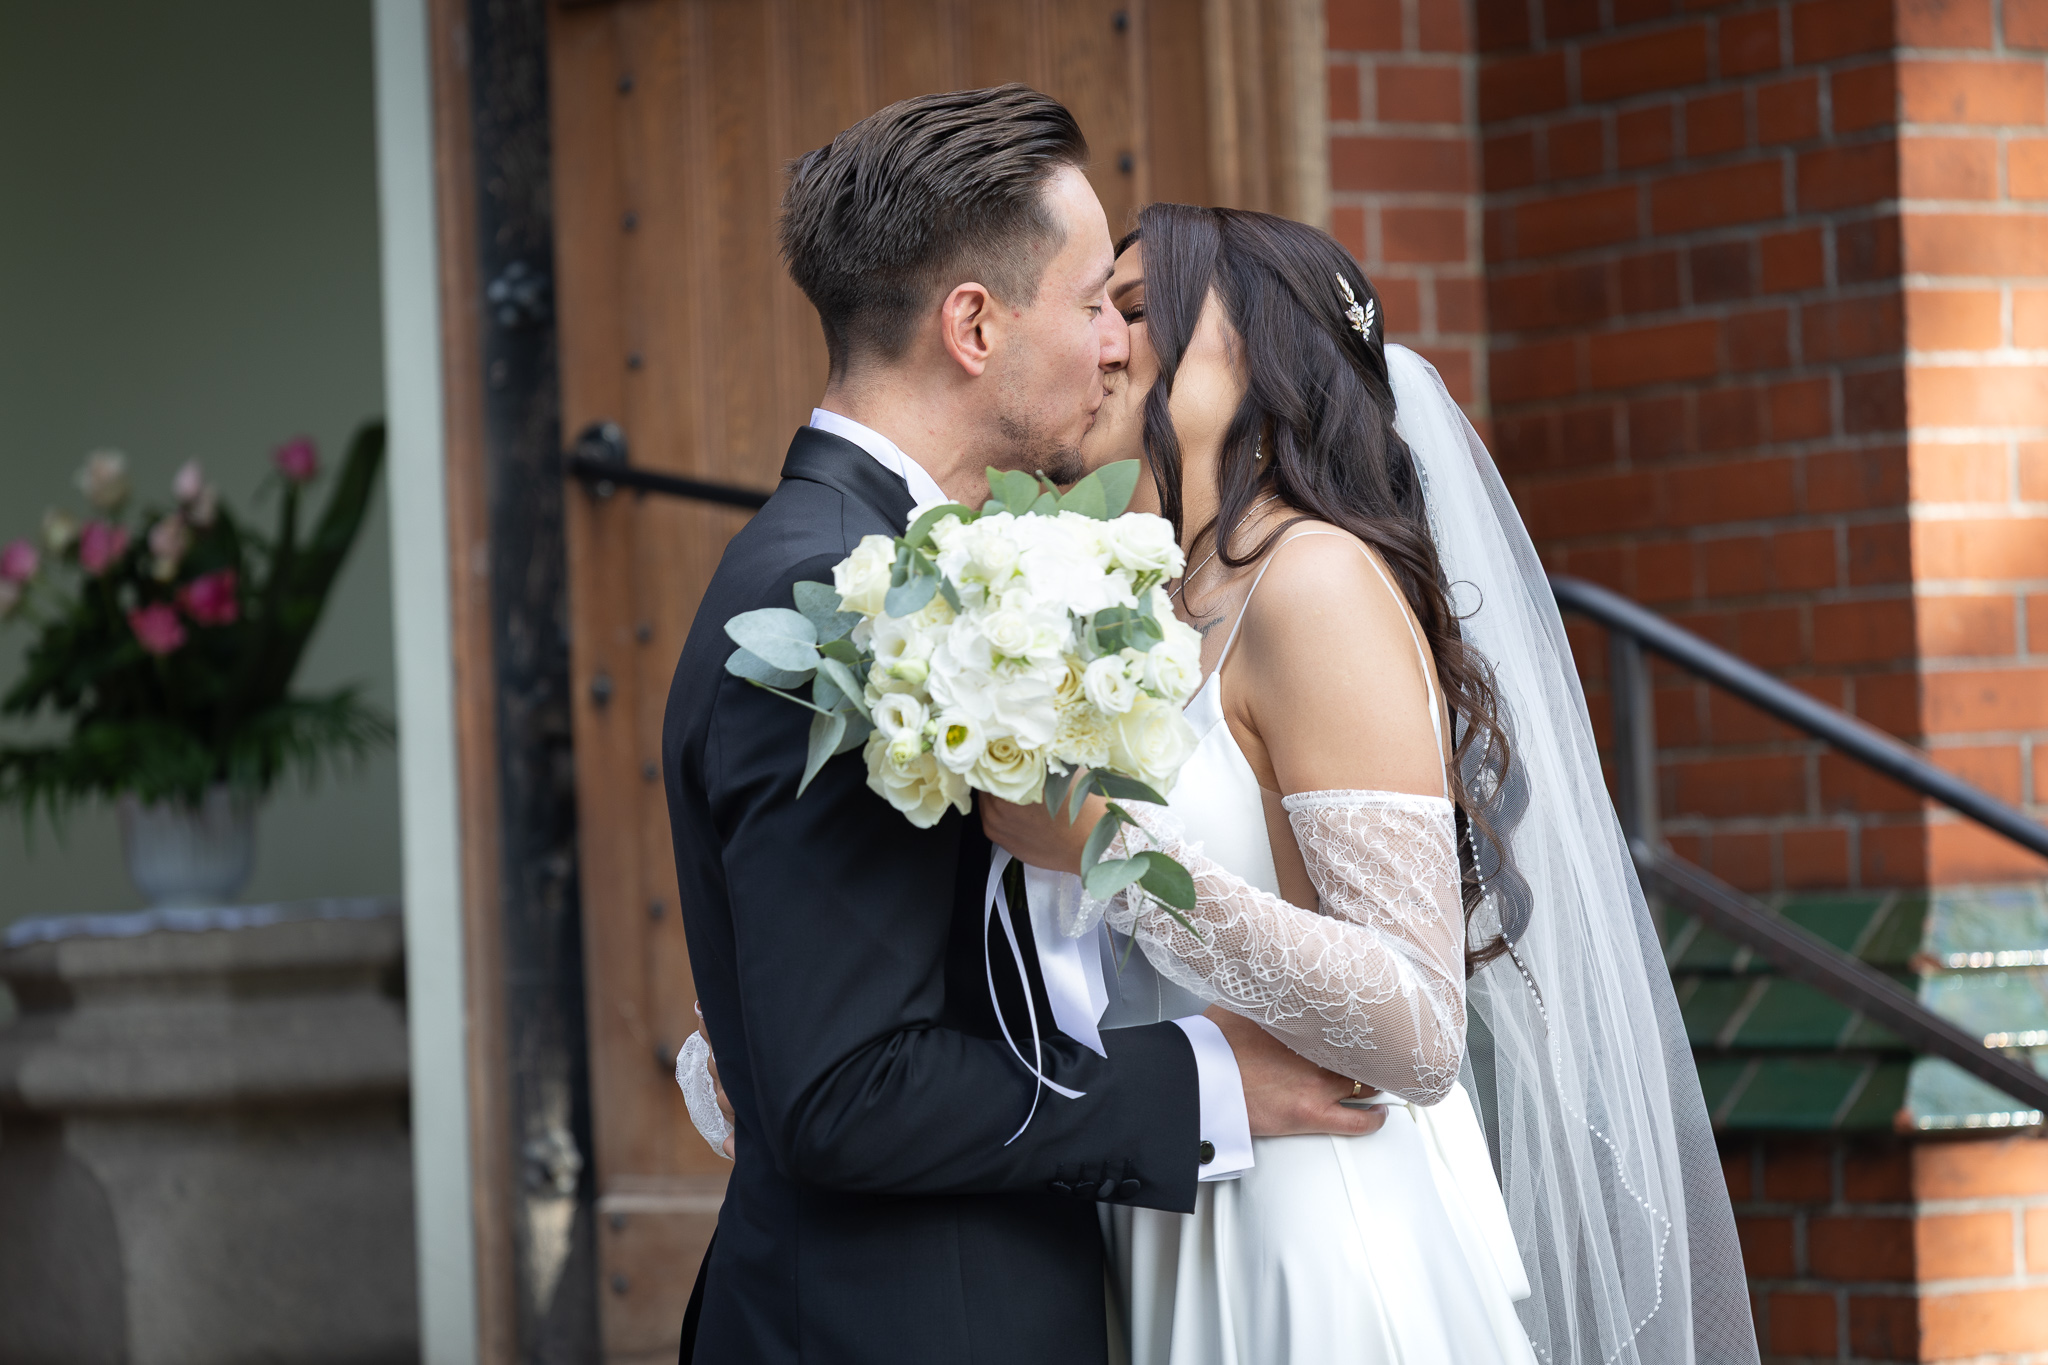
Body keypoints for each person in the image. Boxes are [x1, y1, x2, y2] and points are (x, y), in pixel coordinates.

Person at [661, 90, 1384, 1365]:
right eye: (1095, 301)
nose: (1118, 346)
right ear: (973, 325)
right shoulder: (833, 595)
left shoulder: (915, 569)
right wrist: (1204, 1082)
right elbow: (845, 1092)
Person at [980, 204, 1758, 1363]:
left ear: (1263, 351)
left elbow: (1418, 1022)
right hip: (1172, 1202)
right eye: (1095, 311)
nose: (1101, 343)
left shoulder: (1310, 580)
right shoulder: (1136, 606)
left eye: (1134, 310)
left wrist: (1118, 859)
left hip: (1321, 1230)